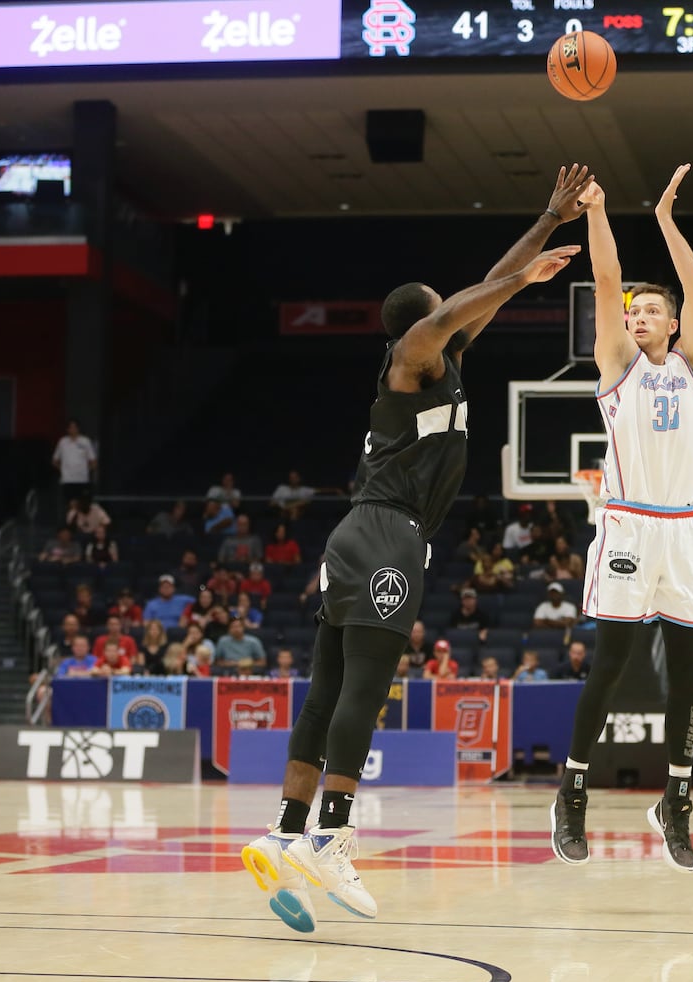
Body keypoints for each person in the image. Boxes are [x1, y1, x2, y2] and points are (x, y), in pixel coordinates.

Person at [240, 163, 589, 932]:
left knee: (327, 690)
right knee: (365, 688)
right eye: (444, 313)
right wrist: (520, 278)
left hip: (362, 532)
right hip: (387, 531)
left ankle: (287, 832)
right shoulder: (411, 358)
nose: (459, 316)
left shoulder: (444, 362)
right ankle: (333, 834)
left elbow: (483, 288)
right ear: (421, 324)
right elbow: (453, 312)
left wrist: (547, 222)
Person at [552, 166, 693, 874]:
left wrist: (669, 220)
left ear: (672, 325)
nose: (639, 316)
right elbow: (609, 271)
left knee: (688, 677)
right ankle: (573, 792)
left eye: (651, 311)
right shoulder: (617, 365)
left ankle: (675, 802)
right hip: (625, 525)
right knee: (610, 668)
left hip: (685, 530)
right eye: (632, 311)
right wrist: (599, 213)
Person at [51, 418, 97, 507]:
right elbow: (54, 461)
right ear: (67, 429)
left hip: (82, 480)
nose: (73, 429)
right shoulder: (62, 442)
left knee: (83, 505)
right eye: (71, 427)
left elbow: (94, 461)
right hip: (67, 480)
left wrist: (87, 470)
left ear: (78, 428)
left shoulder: (85, 441)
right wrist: (63, 470)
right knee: (70, 505)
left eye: (75, 427)